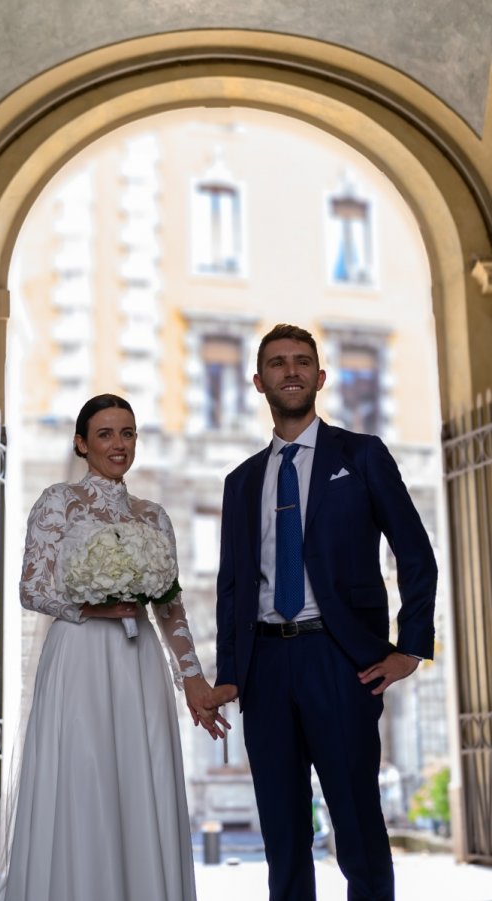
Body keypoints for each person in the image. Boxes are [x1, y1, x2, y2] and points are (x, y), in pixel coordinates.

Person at [208, 324, 437, 901]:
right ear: (258, 382)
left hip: (341, 661)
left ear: (320, 377)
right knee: (282, 834)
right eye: (279, 363)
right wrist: (231, 672)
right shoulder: (241, 482)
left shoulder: (361, 456)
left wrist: (409, 647)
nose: (291, 371)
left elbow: (415, 553)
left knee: (357, 825)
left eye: (302, 361)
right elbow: (232, 585)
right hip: (265, 668)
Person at [0, 393, 226, 901]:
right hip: (80, 656)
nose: (118, 444)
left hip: (139, 664)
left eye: (127, 433)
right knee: (84, 775)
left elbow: (169, 607)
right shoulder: (57, 502)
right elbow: (31, 588)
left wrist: (192, 678)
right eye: (106, 434)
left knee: (141, 776)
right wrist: (87, 608)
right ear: (82, 443)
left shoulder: (154, 516)